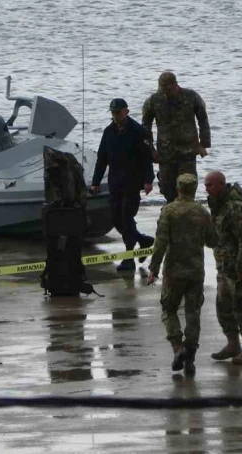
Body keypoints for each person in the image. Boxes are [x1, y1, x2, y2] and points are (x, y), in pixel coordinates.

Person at [147, 174, 217, 375]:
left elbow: (160, 242)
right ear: (195, 189)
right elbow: (213, 241)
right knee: (193, 313)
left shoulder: (169, 211)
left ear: (178, 188)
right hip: (195, 271)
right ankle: (190, 359)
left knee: (169, 310)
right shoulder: (202, 212)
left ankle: (177, 348)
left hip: (173, 271)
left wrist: (153, 269)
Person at [91, 98, 155, 271]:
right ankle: (144, 241)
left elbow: (146, 158)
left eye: (118, 112)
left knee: (126, 218)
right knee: (115, 219)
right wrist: (95, 182)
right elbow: (101, 159)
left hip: (133, 181)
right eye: (113, 113)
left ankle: (128, 258)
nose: (116, 116)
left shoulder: (137, 131)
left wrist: (149, 180)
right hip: (115, 181)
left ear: (126, 111)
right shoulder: (108, 132)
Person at [204, 171, 242, 365]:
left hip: (239, 269)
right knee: (223, 308)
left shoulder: (234, 209)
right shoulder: (218, 207)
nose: (206, 189)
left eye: (210, 185)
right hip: (224, 268)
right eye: (205, 185)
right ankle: (233, 344)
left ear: (221, 185)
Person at [142, 71, 211, 203]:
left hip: (188, 152)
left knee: (187, 186)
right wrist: (150, 150)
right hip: (165, 153)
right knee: (168, 188)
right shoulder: (153, 100)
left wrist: (204, 143)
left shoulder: (191, 96)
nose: (165, 93)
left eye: (168, 90)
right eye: (162, 90)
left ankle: (188, 212)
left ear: (175, 85)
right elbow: (145, 128)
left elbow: (203, 118)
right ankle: (171, 211)